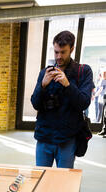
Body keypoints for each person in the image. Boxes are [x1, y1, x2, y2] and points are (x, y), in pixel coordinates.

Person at [31, 30, 94, 169]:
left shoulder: (83, 71)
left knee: (64, 182)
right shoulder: (45, 72)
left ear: (72, 49)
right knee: (41, 179)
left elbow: (83, 103)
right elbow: (35, 103)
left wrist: (67, 84)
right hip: (44, 136)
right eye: (56, 52)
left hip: (67, 138)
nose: (58, 56)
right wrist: (43, 85)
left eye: (63, 52)